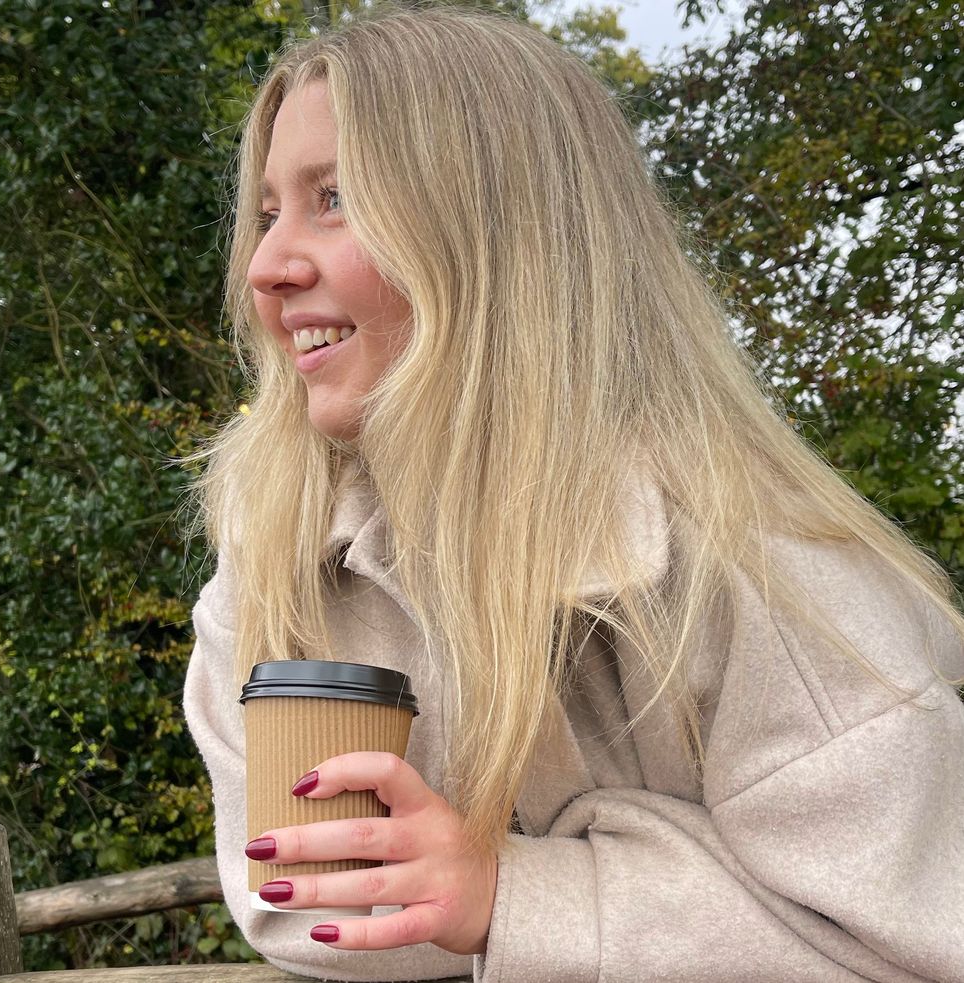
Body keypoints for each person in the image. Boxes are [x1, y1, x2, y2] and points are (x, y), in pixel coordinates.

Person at [183, 4, 964, 981]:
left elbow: (920, 949)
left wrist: (515, 892)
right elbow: (293, 906)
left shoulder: (764, 570)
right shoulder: (280, 558)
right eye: (267, 213)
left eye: (333, 198)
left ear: (496, 231)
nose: (264, 267)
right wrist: (651, 871)